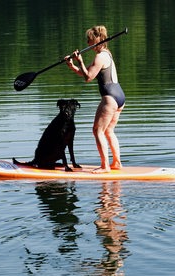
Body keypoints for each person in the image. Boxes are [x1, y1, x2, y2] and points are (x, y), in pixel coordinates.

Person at [65, 25, 125, 174]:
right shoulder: (106, 54)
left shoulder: (100, 57)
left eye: (89, 40)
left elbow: (88, 77)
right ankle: (116, 163)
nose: (87, 43)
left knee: (97, 131)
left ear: (97, 40)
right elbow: (88, 73)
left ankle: (105, 167)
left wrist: (80, 60)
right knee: (109, 130)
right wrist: (73, 66)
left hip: (110, 98)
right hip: (119, 96)